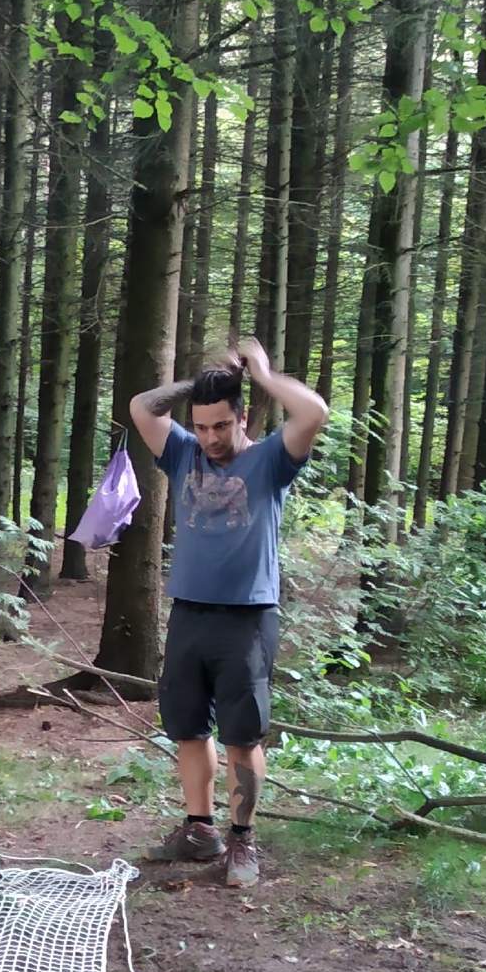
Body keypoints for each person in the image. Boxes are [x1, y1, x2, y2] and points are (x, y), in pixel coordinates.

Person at [126, 337, 330, 888]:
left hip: (247, 617)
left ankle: (242, 840)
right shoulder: (183, 451)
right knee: (188, 727)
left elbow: (314, 411)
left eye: (222, 425)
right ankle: (199, 829)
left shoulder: (271, 460)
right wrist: (201, 383)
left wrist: (260, 373)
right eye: (204, 425)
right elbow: (143, 407)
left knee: (243, 735)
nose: (211, 438)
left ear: (243, 419)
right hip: (190, 613)